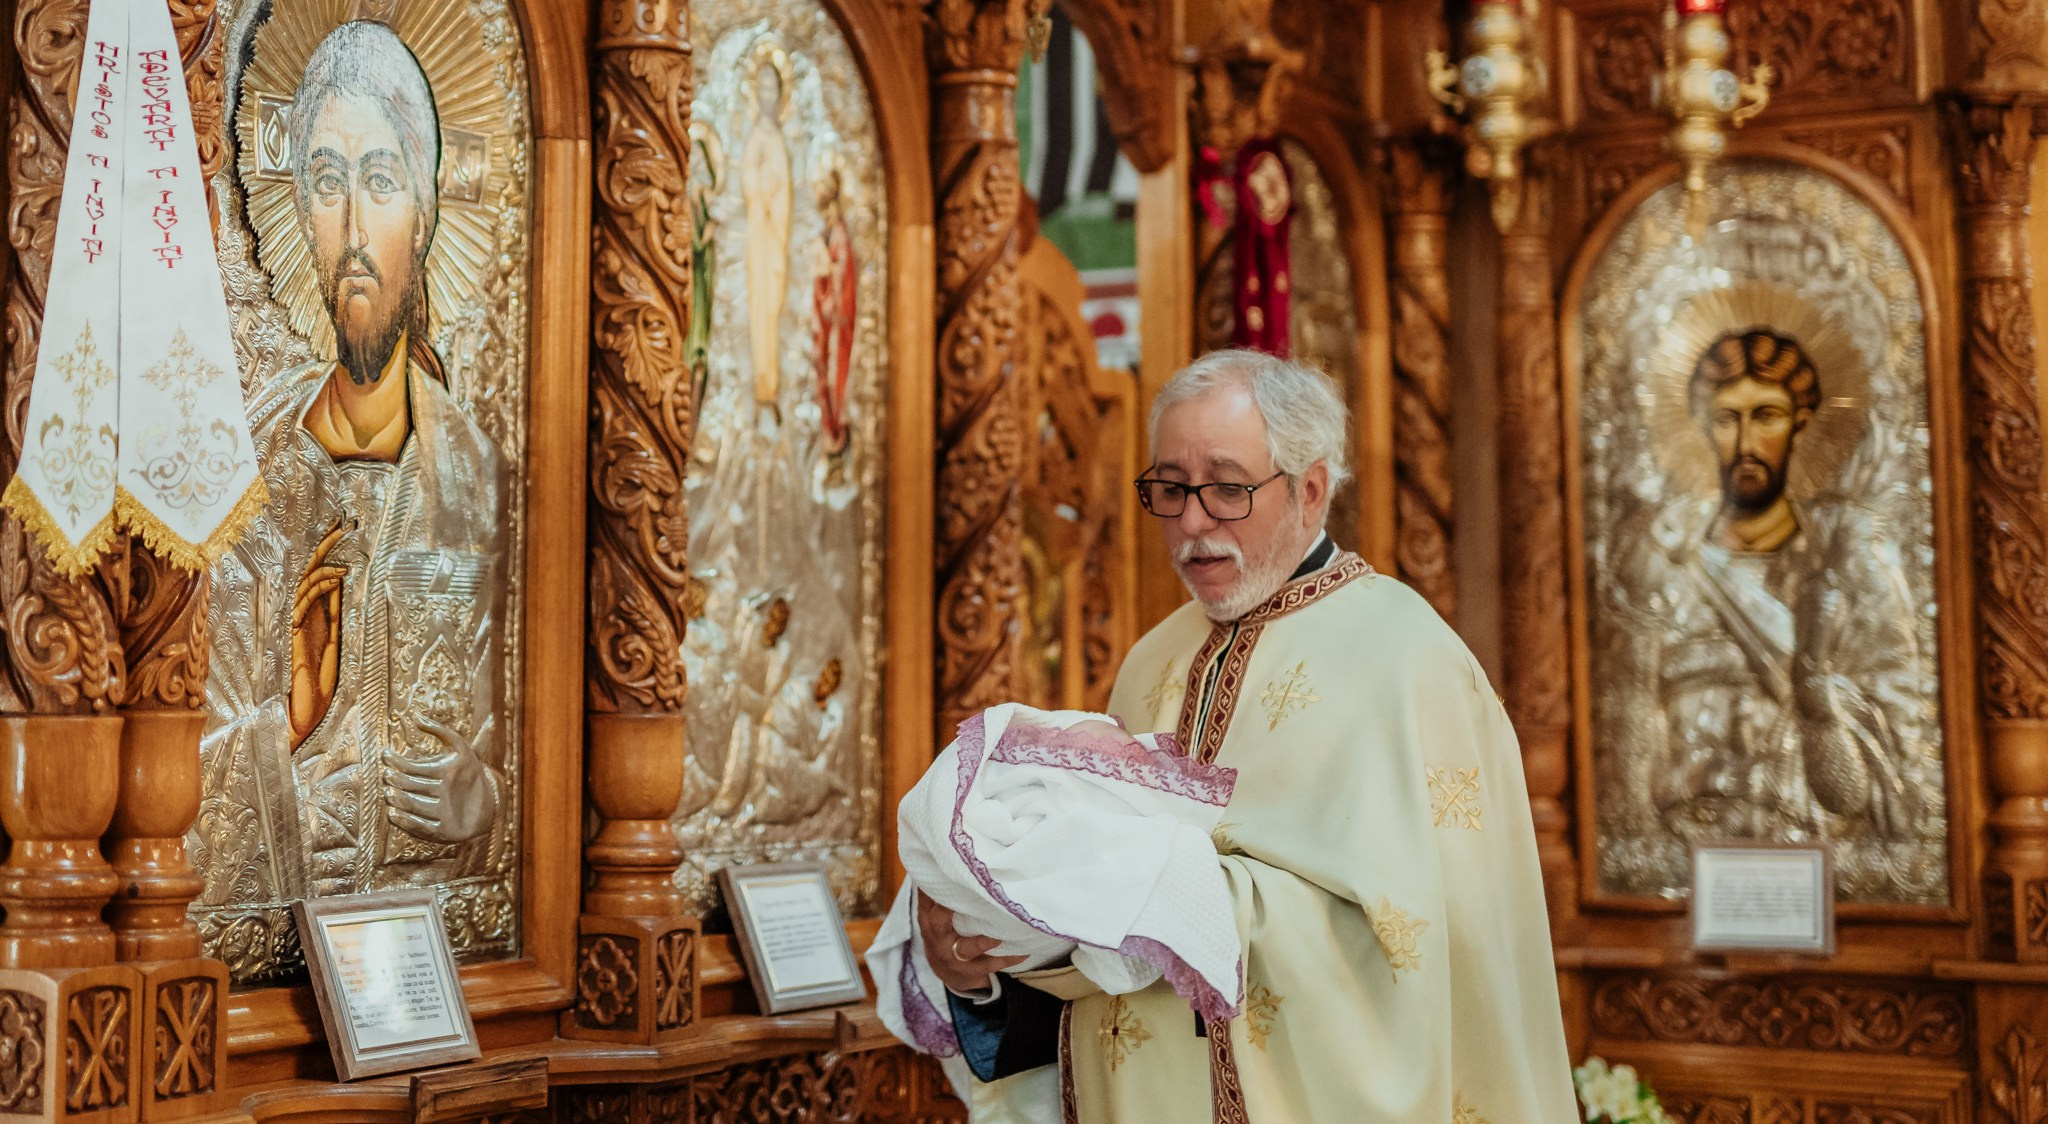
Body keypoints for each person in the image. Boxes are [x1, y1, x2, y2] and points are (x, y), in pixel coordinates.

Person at [917, 349, 1576, 1120]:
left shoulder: (1407, 662)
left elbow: (1422, 958)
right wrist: (991, 964)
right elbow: (1100, 948)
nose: (1193, 522)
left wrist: (1176, 895)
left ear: (1310, 489)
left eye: (1227, 488)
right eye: (1170, 488)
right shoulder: (1150, 661)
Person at [198, 20, 508, 915]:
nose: (353, 226)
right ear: (295, 206)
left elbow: (515, 729)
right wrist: (285, 728)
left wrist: (481, 795)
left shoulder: (474, 480)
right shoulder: (245, 471)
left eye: (380, 181)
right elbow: (167, 778)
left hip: (426, 955)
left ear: (429, 208)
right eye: (326, 181)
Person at [1600, 329, 1921, 893]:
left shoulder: (1847, 570)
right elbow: (1627, 739)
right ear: (1704, 427)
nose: (1746, 440)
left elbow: (1885, 770)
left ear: (1800, 422)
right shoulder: (1663, 564)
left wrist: (1818, 695)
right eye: (1727, 419)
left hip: (1810, 858)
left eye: (1766, 416)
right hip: (1682, 862)